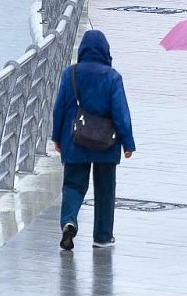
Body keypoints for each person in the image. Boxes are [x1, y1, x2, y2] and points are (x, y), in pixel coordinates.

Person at [51, 29, 136, 250]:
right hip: (106, 143)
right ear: (105, 51)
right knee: (105, 189)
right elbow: (121, 112)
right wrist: (128, 143)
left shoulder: (70, 74)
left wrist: (57, 137)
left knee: (73, 185)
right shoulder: (112, 76)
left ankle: (69, 221)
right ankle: (102, 237)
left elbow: (59, 108)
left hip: (75, 140)